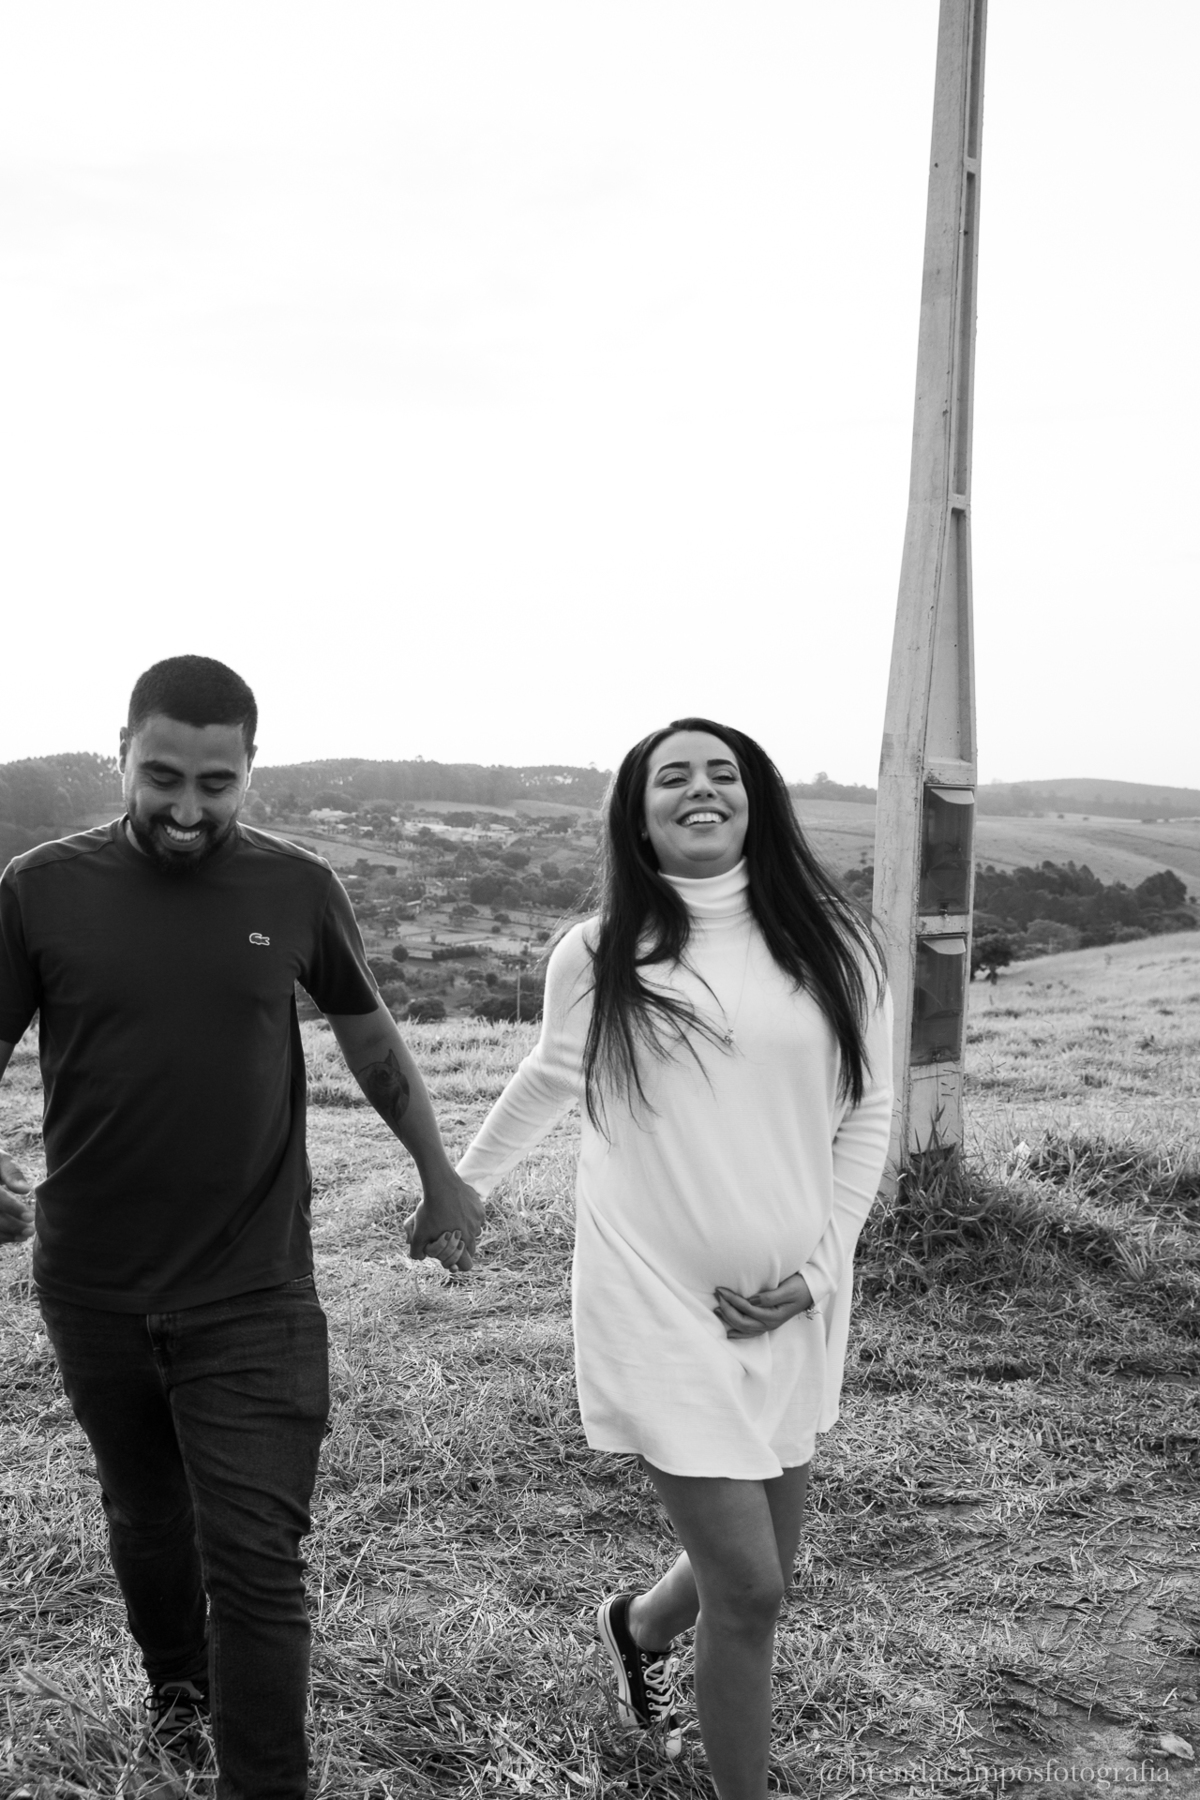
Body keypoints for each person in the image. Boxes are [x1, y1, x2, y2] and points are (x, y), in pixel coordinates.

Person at [0, 655, 481, 1800]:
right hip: (95, 1284)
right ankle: (179, 1692)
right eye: (161, 776)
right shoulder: (37, 890)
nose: (185, 808)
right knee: (147, 1513)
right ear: (121, 752)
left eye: (215, 784)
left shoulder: (298, 886)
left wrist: (441, 1177)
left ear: (251, 769)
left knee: (258, 1558)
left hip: (255, 1286)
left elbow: (370, 1038)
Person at [455, 718, 892, 1800]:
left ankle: (638, 1628)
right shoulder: (600, 950)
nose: (702, 788)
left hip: (791, 1309)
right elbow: (549, 1077)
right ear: (640, 816)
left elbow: (867, 1113)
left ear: (757, 799)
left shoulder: (837, 946)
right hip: (649, 1299)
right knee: (752, 1590)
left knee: (760, 1560)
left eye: (723, 772)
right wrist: (463, 1190)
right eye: (673, 777)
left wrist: (818, 1274)